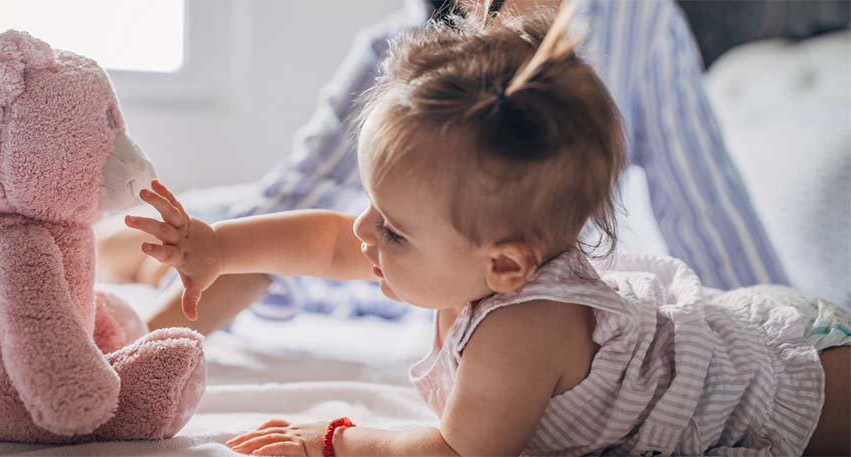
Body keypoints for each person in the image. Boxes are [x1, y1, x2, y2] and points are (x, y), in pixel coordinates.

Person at [122, 5, 850, 455]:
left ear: (506, 266)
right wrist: (220, 247)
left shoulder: (522, 328)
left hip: (798, 369)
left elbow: (456, 450)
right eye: (377, 208)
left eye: (394, 231)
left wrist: (334, 438)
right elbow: (330, 241)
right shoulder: (472, 251)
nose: (364, 232)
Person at [97, 0, 790, 335]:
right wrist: (160, 322)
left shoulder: (640, 28)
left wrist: (780, 329)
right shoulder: (404, 53)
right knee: (257, 222)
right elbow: (317, 219)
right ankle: (138, 247)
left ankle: (142, 247)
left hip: (433, 257)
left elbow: (715, 221)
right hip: (402, 249)